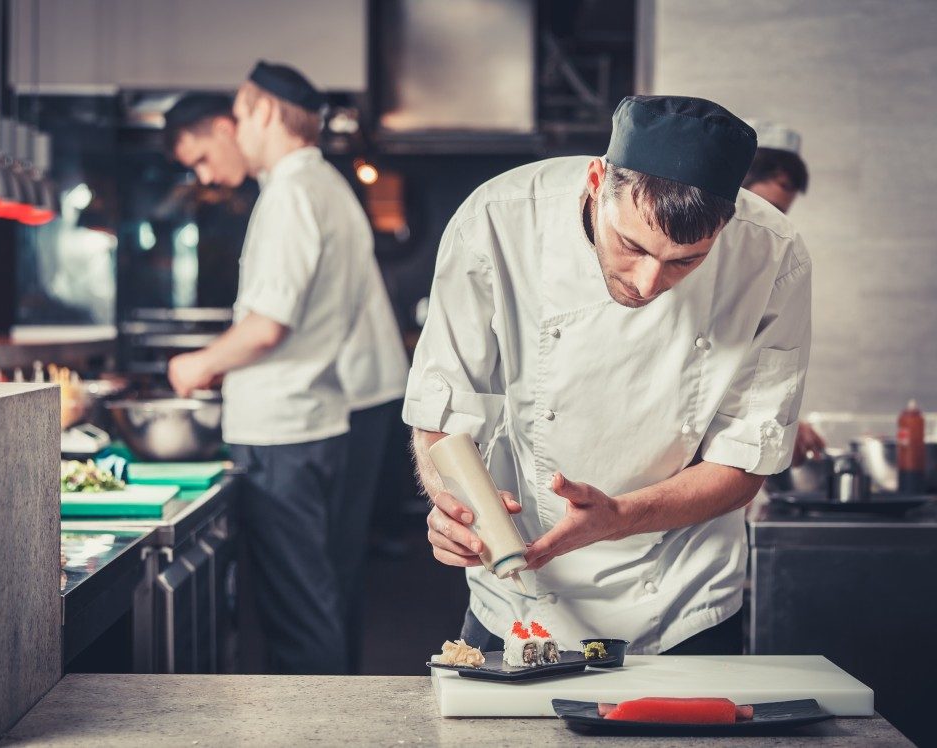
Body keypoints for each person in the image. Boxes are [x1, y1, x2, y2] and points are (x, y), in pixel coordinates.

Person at [405, 96, 812, 655]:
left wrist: (621, 516)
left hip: (682, 595)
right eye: (632, 246)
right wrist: (451, 506)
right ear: (597, 180)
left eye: (684, 261)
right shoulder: (497, 219)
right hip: (517, 595)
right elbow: (442, 411)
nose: (648, 283)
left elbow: (746, 460)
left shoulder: (773, 254)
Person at [163, 92, 408, 673]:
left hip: (288, 424)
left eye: (241, 118)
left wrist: (199, 364)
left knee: (299, 608)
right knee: (325, 593)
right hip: (325, 412)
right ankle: (336, 720)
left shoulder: (290, 191)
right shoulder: (324, 185)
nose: (237, 136)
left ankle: (315, 729)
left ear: (259, 113)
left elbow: (268, 325)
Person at [742, 122, 824, 465]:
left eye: (780, 213)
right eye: (763, 207)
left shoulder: (768, 262)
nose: (771, 223)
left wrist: (782, 421)